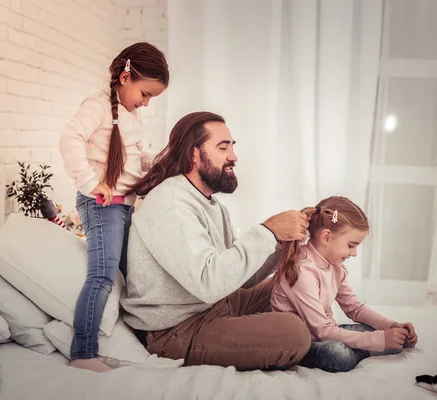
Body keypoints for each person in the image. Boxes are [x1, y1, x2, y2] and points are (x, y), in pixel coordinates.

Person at [121, 111, 312, 370]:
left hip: (213, 305)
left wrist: (283, 241)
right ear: (194, 154)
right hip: (177, 329)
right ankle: (311, 345)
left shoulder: (208, 202)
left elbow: (239, 278)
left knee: (298, 282)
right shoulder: (171, 203)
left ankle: (326, 336)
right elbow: (208, 282)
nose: (233, 156)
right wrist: (269, 231)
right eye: (223, 148)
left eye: (232, 147)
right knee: (292, 333)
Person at [59, 42, 169, 372]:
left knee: (136, 275)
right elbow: (70, 139)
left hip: (126, 206)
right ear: (125, 77)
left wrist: (159, 162)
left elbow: (134, 157)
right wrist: (91, 182)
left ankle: (139, 340)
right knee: (102, 276)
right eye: (145, 93)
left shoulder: (131, 116)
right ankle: (83, 353)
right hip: (101, 205)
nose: (146, 103)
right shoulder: (96, 106)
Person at [271, 196, 418, 373]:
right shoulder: (302, 270)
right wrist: (380, 340)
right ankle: (360, 351)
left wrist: (392, 326)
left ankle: (362, 348)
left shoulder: (335, 266)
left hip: (325, 333)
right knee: (337, 355)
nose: (354, 253)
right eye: (351, 245)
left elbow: (355, 308)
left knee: (397, 339)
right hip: (304, 344)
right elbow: (323, 332)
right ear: (326, 236)